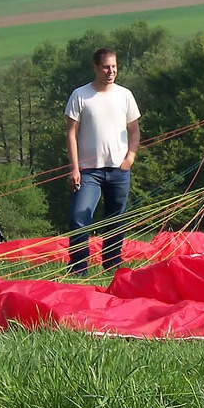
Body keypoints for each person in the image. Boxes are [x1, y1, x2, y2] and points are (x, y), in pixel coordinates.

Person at [65, 47, 140, 275]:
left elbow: (134, 130)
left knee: (116, 219)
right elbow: (71, 133)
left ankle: (112, 264)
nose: (111, 71)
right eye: (106, 67)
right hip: (89, 172)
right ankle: (78, 268)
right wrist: (75, 168)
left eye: (114, 67)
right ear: (96, 67)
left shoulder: (125, 95)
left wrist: (130, 157)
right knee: (80, 217)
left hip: (119, 170)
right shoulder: (80, 95)